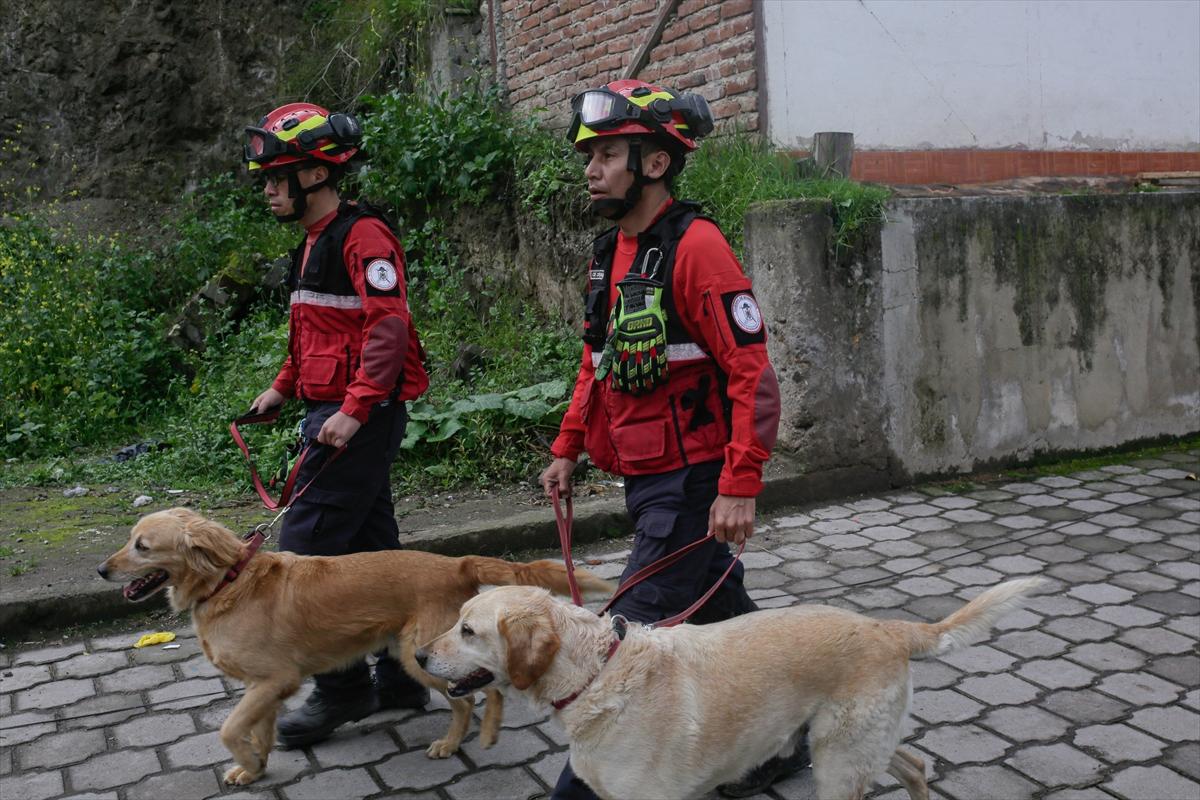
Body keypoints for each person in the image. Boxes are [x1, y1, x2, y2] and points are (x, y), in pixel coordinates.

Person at [539, 79, 809, 799]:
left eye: (606, 155)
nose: (590, 168)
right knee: (721, 609)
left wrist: (740, 482)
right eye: (587, 155)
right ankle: (786, 731)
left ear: (654, 164)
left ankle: (587, 785)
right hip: (646, 473)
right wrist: (567, 446)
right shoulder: (611, 253)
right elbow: (594, 362)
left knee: (628, 640)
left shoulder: (699, 249)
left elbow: (753, 373)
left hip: (691, 481)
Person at [242, 102, 432, 748]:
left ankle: (342, 692)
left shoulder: (363, 238)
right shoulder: (313, 243)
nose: (268, 189)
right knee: (372, 550)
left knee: (308, 558)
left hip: (360, 418)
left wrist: (353, 411)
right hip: (334, 412)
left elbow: (387, 329)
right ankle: (405, 676)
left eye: (278, 176)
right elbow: (314, 333)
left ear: (316, 177)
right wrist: (281, 387)